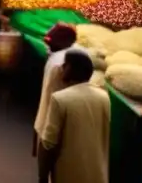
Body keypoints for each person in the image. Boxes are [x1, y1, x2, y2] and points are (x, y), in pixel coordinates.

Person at [37, 50, 109, 183]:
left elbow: (48, 144)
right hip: (97, 174)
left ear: (70, 69)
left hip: (69, 175)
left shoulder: (60, 99)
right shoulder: (104, 97)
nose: (62, 68)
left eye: (65, 65)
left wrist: (42, 176)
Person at [33, 23, 87, 156]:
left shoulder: (62, 64)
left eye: (51, 44)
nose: (47, 48)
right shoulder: (62, 56)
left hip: (56, 125)